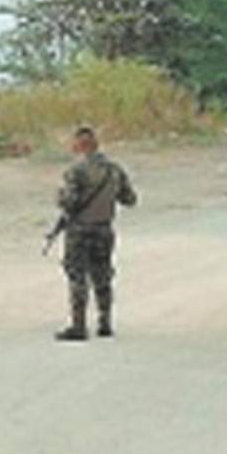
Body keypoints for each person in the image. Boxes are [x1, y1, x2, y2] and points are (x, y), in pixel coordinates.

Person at [54, 125, 137, 341]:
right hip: (104, 229)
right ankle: (105, 323)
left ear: (78, 146)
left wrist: (60, 198)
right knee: (103, 275)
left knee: (77, 276)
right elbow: (129, 199)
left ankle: (79, 325)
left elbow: (70, 202)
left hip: (80, 230)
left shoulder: (76, 171)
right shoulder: (114, 170)